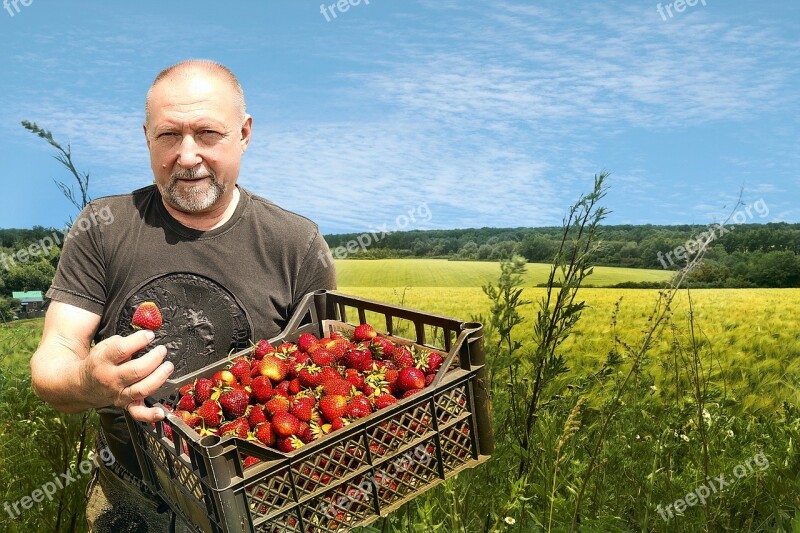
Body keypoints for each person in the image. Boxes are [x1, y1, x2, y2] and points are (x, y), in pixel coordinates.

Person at [30, 59, 337, 532]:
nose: (187, 155)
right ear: (147, 137)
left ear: (244, 133)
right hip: (131, 501)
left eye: (208, 133)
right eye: (169, 136)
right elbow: (53, 360)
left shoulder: (296, 243)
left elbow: (326, 372)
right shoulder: (103, 227)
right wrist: (91, 380)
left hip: (264, 505)